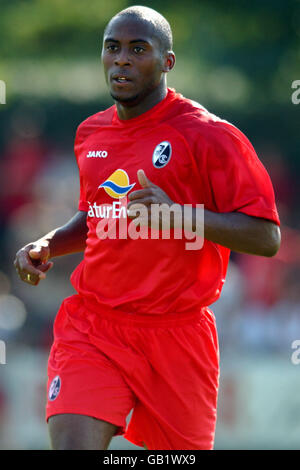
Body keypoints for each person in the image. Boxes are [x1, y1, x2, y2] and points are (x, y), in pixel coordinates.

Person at [14, 5, 281, 450]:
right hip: (94, 327)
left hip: (177, 337)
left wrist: (179, 215)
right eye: (112, 48)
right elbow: (95, 218)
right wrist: (48, 243)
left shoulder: (210, 136)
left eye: (138, 49)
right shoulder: (91, 134)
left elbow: (266, 237)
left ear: (167, 62)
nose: (121, 59)